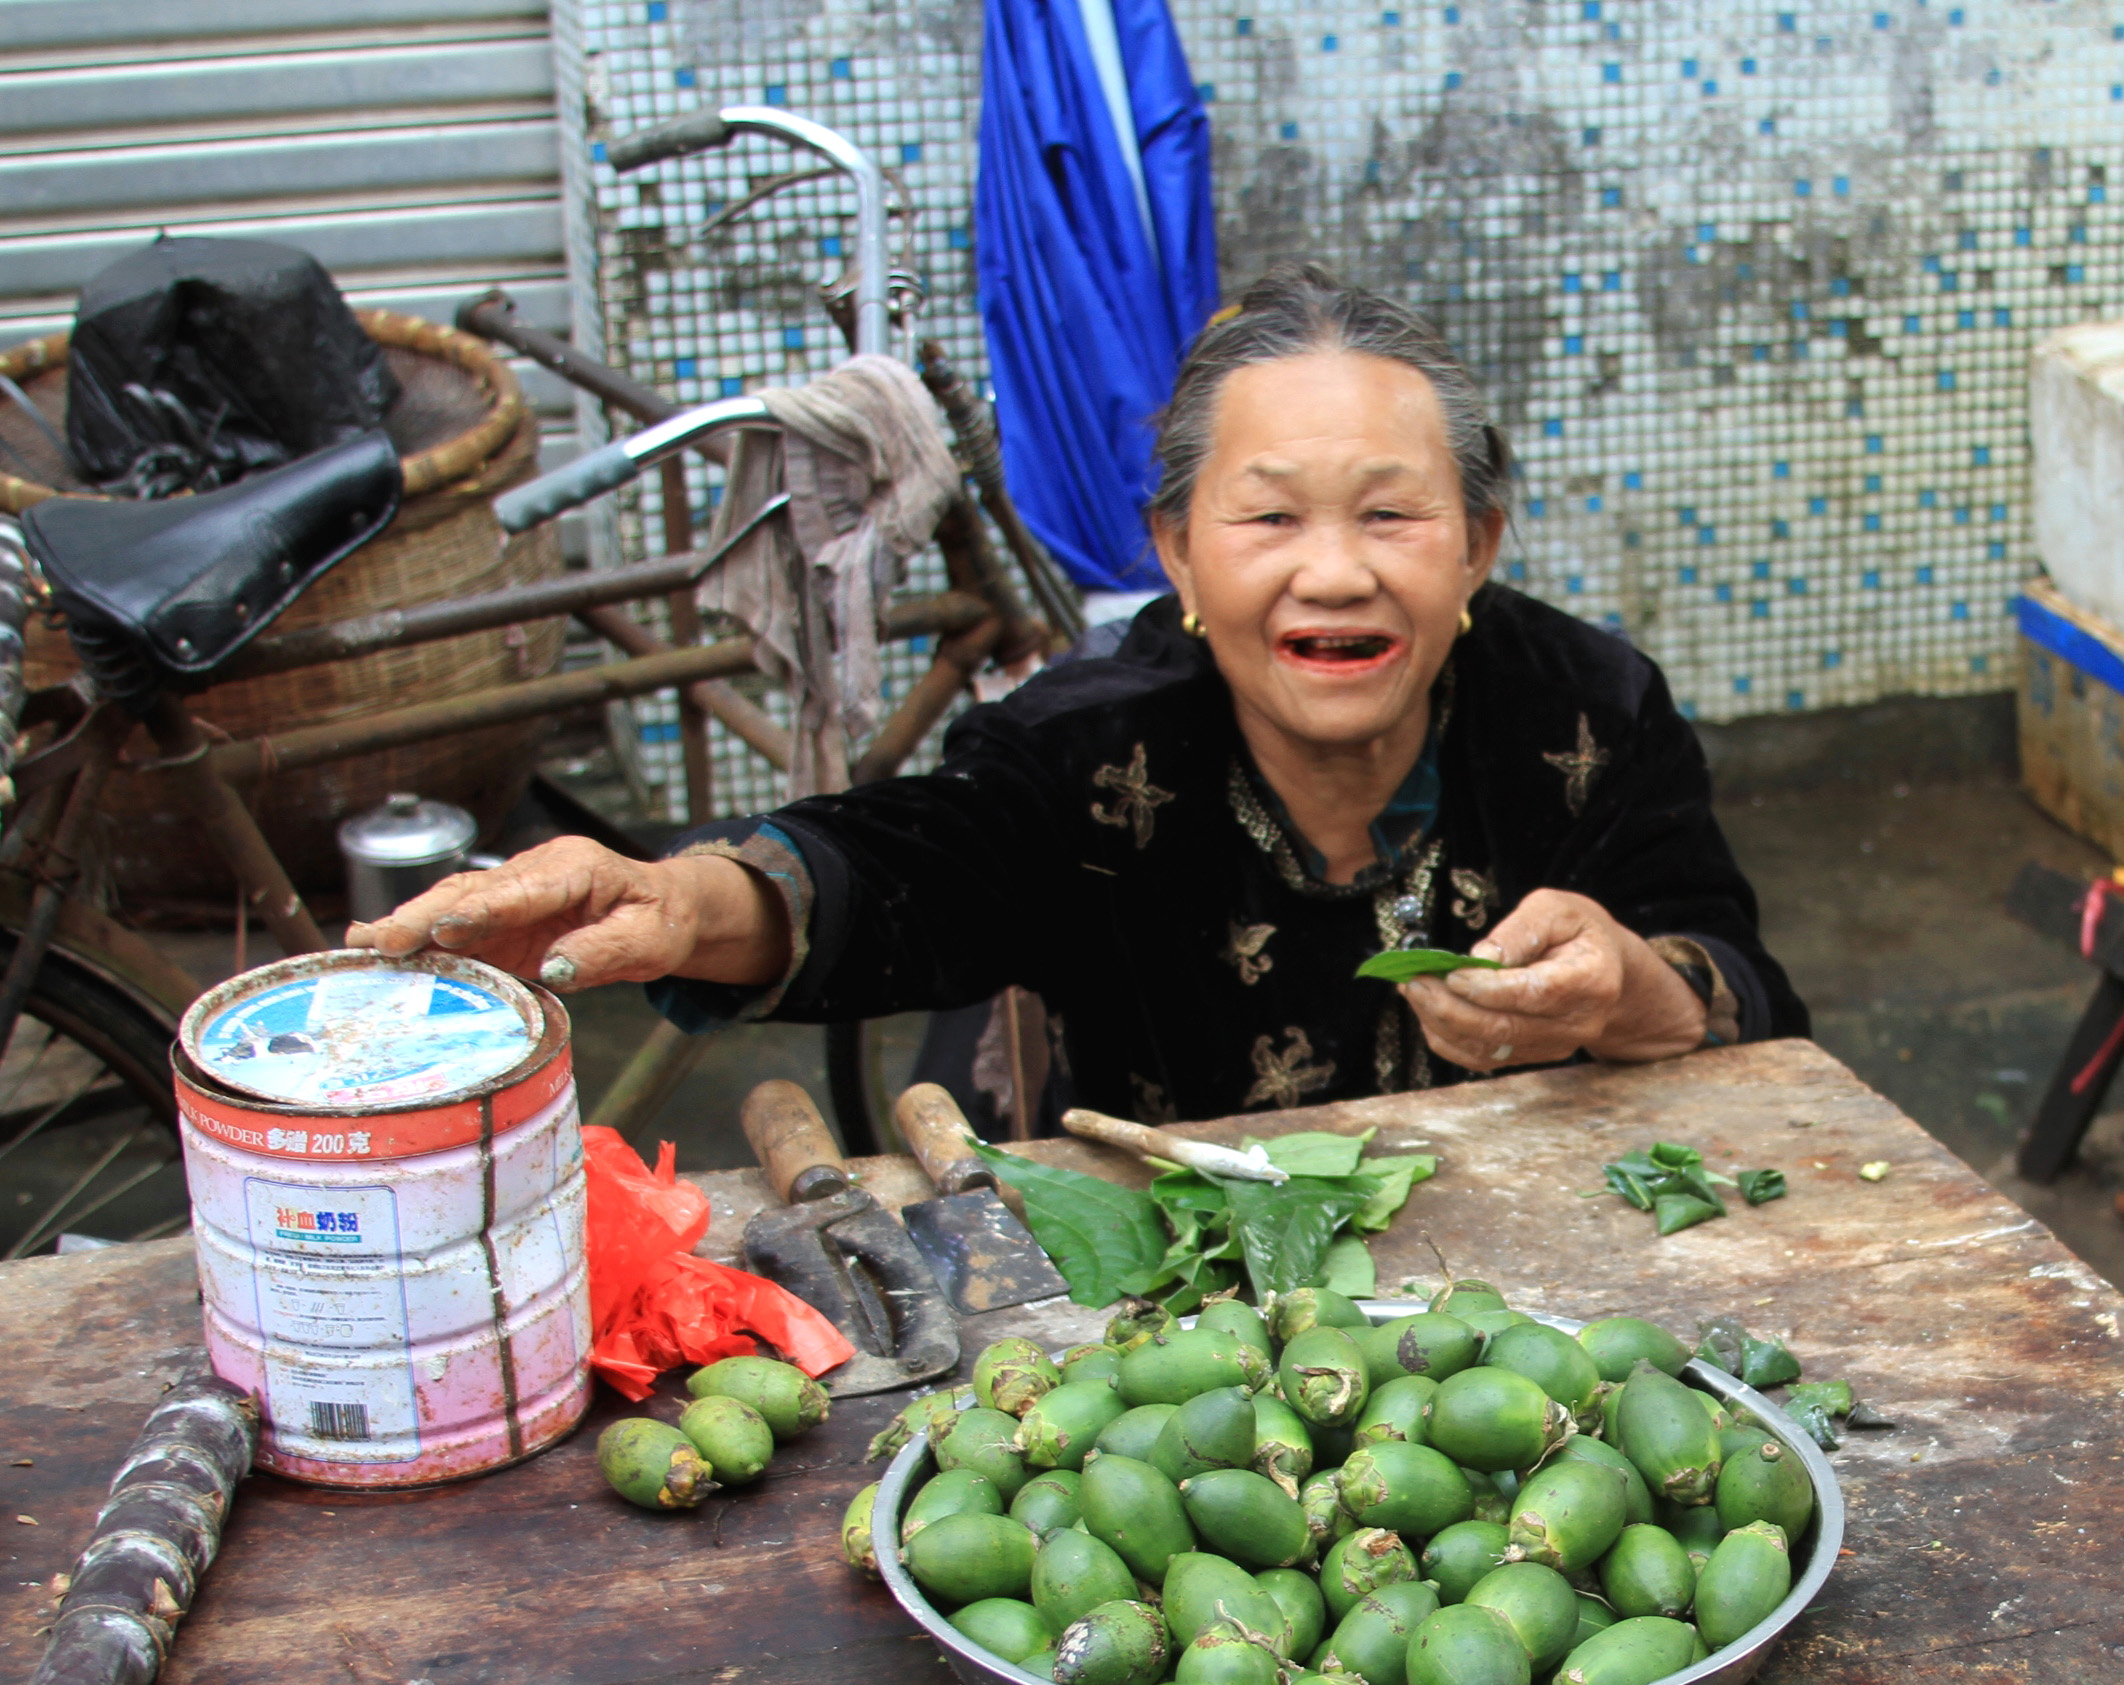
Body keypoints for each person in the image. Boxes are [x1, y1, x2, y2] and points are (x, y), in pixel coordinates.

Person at [350, 264, 1805, 1118]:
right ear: (1175, 549)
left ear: (1479, 541)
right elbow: (898, 870)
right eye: (1269, 518)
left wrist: (1639, 992)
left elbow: (1742, 988)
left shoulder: (1588, 719)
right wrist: (685, 900)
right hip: (1170, 1341)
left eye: (1392, 515)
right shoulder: (1089, 755)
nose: (1335, 575)